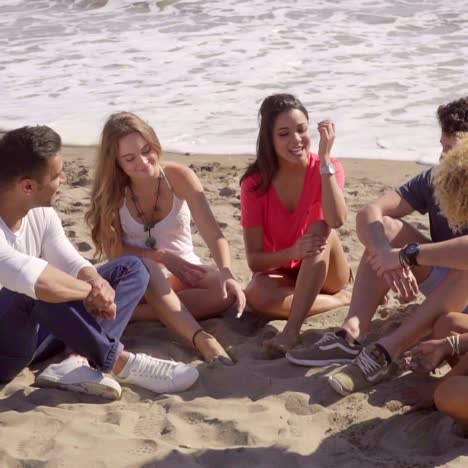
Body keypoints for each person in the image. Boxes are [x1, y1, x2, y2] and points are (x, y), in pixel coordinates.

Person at [284, 96, 468, 396]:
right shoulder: (438, 177)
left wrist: (407, 256)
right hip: (446, 286)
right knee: (381, 229)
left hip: (461, 295)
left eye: (452, 150)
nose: (443, 157)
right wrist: (385, 254)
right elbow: (369, 213)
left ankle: (385, 352)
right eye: (442, 147)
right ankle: (352, 333)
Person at [0, 125, 199, 401]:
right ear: (28, 186)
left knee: (133, 268)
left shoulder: (40, 212)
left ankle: (77, 360)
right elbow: (36, 280)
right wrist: (90, 292)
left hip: (38, 333)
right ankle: (120, 362)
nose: (65, 179)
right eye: (57, 175)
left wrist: (95, 281)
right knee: (34, 288)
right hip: (4, 350)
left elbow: (68, 258)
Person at [85, 112, 245, 365]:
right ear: (116, 163)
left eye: (146, 150)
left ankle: (138, 315)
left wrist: (226, 272)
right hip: (138, 281)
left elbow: (213, 233)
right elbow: (115, 252)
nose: (143, 162)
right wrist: (160, 256)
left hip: (184, 276)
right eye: (130, 158)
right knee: (149, 270)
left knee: (224, 293)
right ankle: (201, 338)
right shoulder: (113, 193)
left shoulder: (179, 177)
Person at [240, 93, 351, 357]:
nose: (296, 140)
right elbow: (255, 261)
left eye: (301, 130)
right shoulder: (255, 184)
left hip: (327, 269)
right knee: (256, 297)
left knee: (320, 228)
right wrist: (292, 253)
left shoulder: (329, 167)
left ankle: (291, 330)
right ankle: (341, 301)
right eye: (284, 133)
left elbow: (336, 221)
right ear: (270, 138)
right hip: (285, 272)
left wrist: (324, 161)